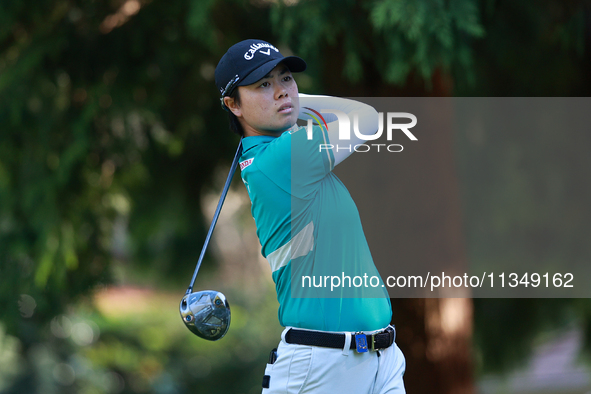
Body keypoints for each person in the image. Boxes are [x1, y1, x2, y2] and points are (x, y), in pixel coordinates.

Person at [214, 39, 406, 394]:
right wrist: (297, 104)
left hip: (381, 360)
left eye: (286, 79)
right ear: (232, 104)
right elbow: (365, 118)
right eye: (263, 85)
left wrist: (288, 102)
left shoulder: (287, 155)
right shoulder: (282, 158)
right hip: (322, 369)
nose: (281, 92)